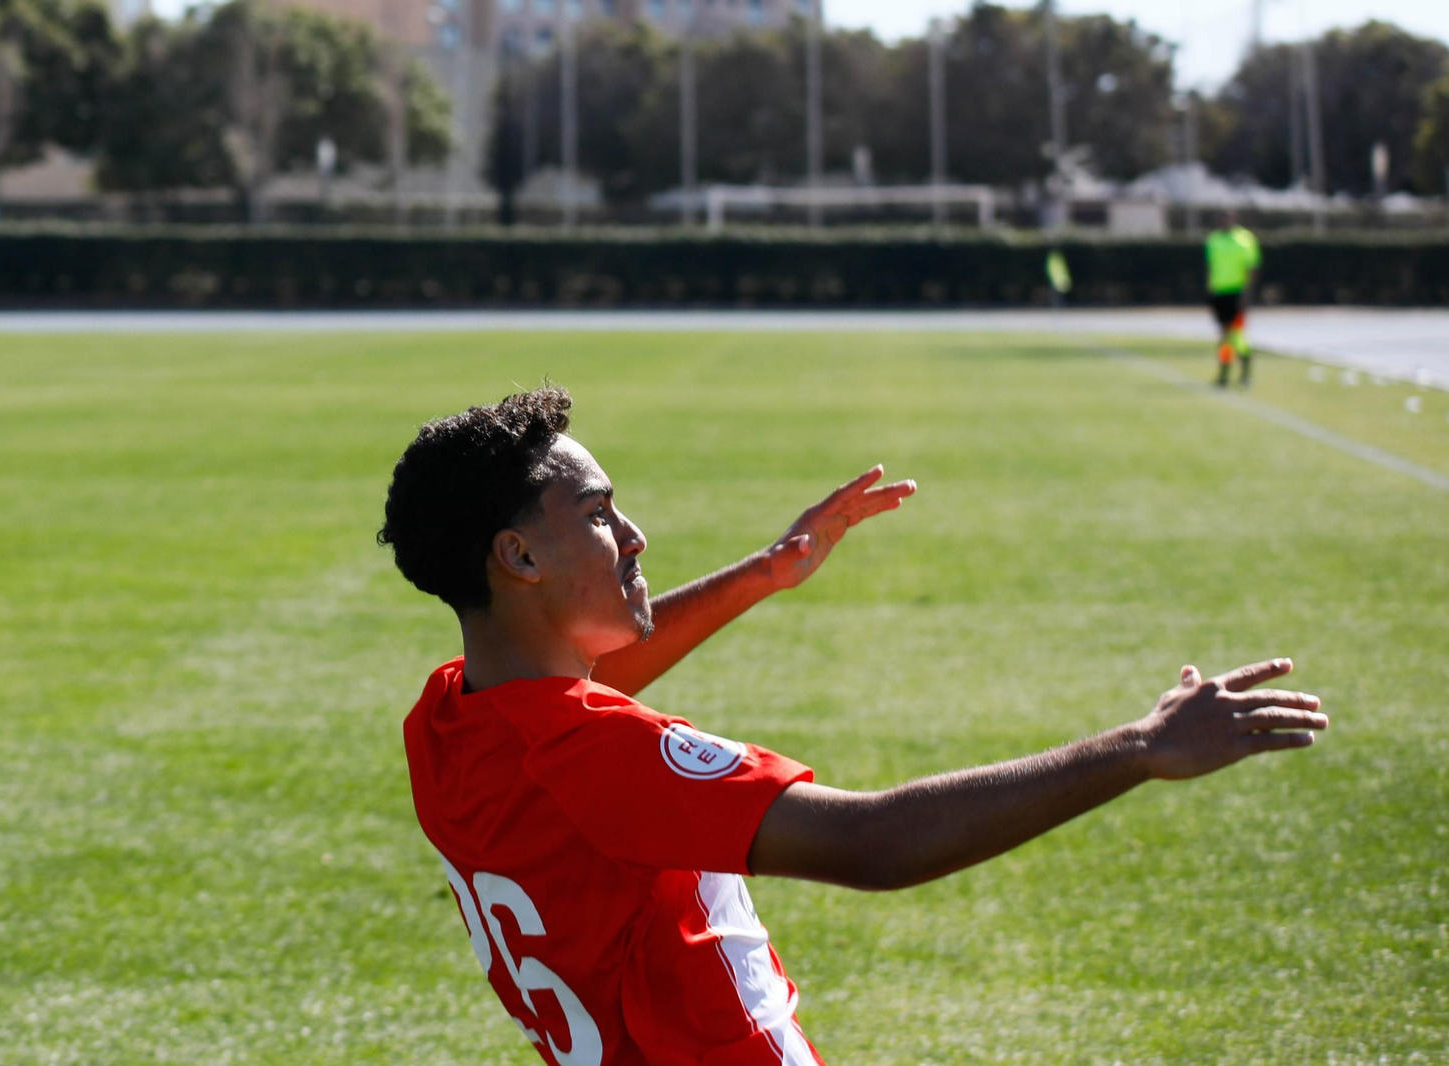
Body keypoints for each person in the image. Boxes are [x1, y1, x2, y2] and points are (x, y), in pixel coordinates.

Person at [381, 386, 1326, 1066]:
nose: (633, 535)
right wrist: (1141, 747)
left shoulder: (448, 719)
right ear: (517, 554)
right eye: (597, 514)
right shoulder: (597, 755)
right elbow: (874, 842)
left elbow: (575, 677)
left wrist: (763, 572)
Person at [1205, 210, 1262, 387]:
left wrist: (1247, 294)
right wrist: (1210, 290)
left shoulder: (1245, 239)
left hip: (1237, 293)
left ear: (1234, 219)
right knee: (1224, 336)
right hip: (1219, 293)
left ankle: (1246, 372)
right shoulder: (1213, 240)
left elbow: (1251, 268)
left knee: (1237, 334)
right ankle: (1224, 372)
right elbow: (1210, 267)